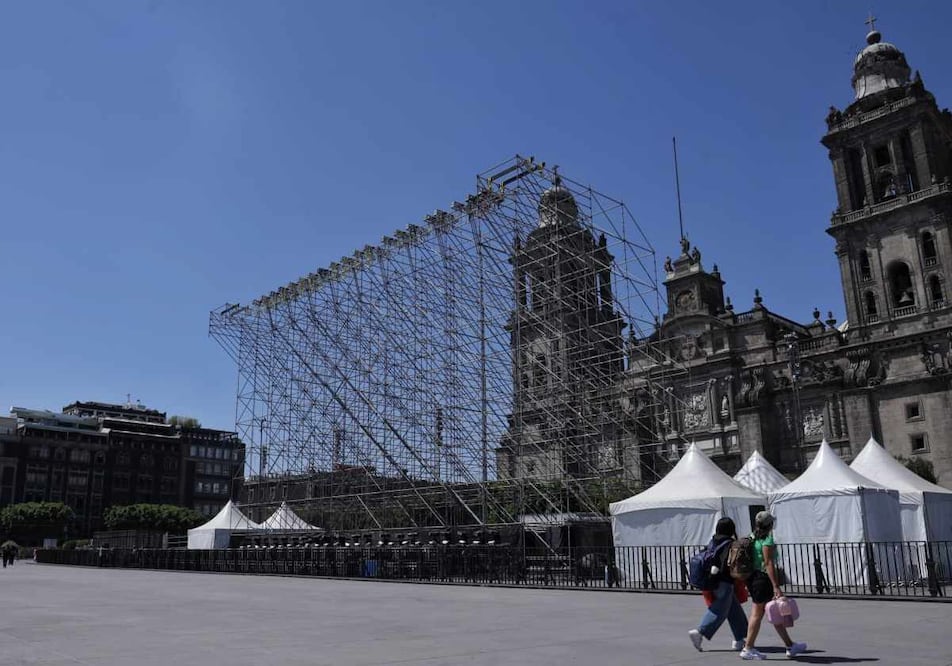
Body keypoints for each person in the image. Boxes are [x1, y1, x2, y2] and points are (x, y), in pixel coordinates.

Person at [739, 511, 807, 660]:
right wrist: (776, 585)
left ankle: (790, 645)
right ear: (770, 524)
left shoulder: (751, 537)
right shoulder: (767, 540)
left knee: (774, 611)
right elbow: (768, 563)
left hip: (752, 578)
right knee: (758, 614)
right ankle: (748, 648)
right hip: (762, 579)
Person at [688, 517, 748, 652]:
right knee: (720, 609)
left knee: (734, 609)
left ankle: (740, 639)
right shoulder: (730, 543)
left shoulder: (713, 541)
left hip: (713, 579)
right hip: (724, 581)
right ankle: (700, 632)